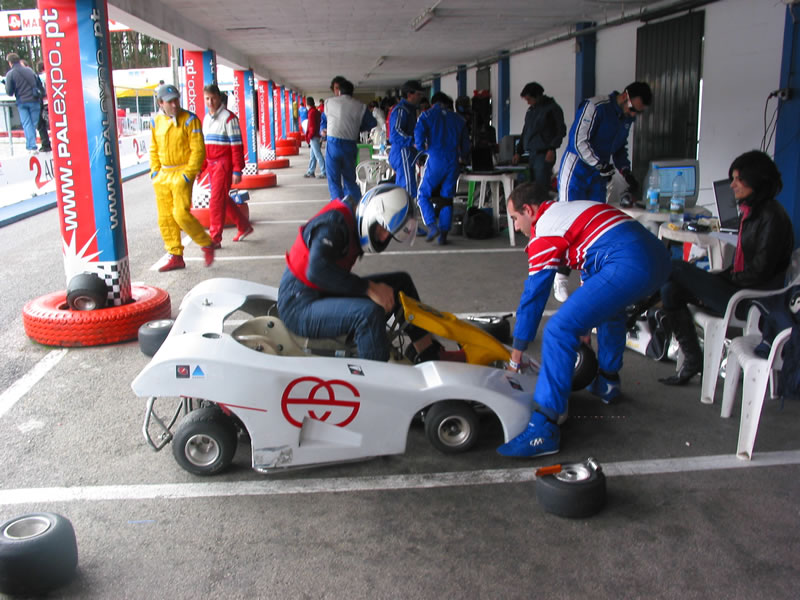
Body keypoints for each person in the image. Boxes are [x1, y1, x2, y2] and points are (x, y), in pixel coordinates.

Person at [496, 183, 671, 458]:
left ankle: (544, 428)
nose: (516, 227)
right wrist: (586, 322)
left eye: (515, 219)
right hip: (658, 257)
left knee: (558, 330)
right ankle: (608, 383)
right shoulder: (568, 212)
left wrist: (516, 355)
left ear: (528, 211)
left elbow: (533, 298)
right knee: (611, 311)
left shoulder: (544, 230)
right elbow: (595, 260)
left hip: (629, 259)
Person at [658, 150, 795, 386]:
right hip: (739, 289)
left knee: (677, 268)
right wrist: (714, 281)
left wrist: (715, 283)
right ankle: (693, 359)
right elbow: (744, 268)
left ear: (756, 180)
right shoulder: (752, 212)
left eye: (738, 179)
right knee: (670, 289)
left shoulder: (773, 216)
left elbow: (759, 273)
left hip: (753, 301)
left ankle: (634, 307)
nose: (732, 185)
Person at [278, 184, 441, 362]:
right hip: (298, 305)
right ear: (372, 215)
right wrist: (369, 288)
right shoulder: (334, 225)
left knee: (401, 282)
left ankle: (427, 355)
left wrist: (371, 288)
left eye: (389, 233)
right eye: (383, 228)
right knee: (367, 315)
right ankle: (376, 385)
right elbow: (316, 271)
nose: (385, 237)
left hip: (321, 293)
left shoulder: (351, 222)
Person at [553, 81, 652, 303]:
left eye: (638, 112)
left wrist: (626, 172)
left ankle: (588, 282)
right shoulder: (595, 106)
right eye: (633, 109)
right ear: (625, 96)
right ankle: (560, 276)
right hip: (577, 170)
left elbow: (618, 150)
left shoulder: (625, 119)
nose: (633, 114)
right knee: (569, 226)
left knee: (594, 228)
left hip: (598, 176)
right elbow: (578, 141)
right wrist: (600, 164)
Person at [149, 83, 215, 272]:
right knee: (166, 218)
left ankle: (206, 243)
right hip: (163, 175)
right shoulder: (156, 122)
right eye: (170, 102)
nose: (175, 105)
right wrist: (154, 172)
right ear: (161, 103)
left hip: (182, 173)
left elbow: (198, 149)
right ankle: (175, 255)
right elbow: (153, 148)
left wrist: (188, 174)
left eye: (176, 100)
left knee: (180, 213)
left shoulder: (189, 120)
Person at [413, 92, 470, 245]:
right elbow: (466, 144)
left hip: (435, 158)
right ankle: (443, 235)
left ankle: (432, 225)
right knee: (446, 198)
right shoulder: (459, 119)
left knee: (422, 195)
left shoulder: (426, 116)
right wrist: (463, 157)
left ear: (434, 103)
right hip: (453, 161)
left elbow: (418, 132)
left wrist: (420, 148)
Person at [201, 83, 253, 248]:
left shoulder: (230, 119)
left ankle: (215, 238)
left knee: (216, 201)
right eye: (207, 98)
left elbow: (237, 146)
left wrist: (237, 170)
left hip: (223, 164)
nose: (210, 102)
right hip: (210, 164)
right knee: (222, 198)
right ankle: (244, 226)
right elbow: (204, 145)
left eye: (213, 98)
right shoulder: (206, 119)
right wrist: (200, 167)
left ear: (219, 97)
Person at [320, 76, 376, 201]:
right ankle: (356, 207)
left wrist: (324, 130)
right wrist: (358, 128)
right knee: (350, 179)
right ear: (352, 92)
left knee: (334, 180)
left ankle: (338, 207)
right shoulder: (360, 106)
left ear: (339, 91)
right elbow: (372, 123)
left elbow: (324, 119)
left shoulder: (329, 102)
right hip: (350, 144)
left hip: (333, 144)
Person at [512, 82, 565, 187]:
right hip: (531, 154)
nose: (528, 103)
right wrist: (519, 152)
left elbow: (561, 130)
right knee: (529, 187)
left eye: (529, 99)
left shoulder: (553, 109)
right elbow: (525, 131)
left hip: (544, 154)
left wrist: (552, 148)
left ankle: (542, 203)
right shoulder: (531, 110)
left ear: (537, 96)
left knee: (541, 187)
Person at [389, 80, 424, 200]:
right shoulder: (401, 110)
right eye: (418, 94)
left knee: (405, 186)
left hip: (407, 152)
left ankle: (404, 214)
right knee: (408, 188)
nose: (420, 97)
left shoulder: (411, 110)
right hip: (402, 152)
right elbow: (395, 133)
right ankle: (408, 215)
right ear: (409, 94)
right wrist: (413, 142)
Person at [4, 53, 42, 155]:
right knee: (33, 124)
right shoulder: (29, 70)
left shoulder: (10, 74)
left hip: (22, 102)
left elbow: (9, 92)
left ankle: (31, 146)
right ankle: (32, 145)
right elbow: (38, 83)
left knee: (27, 124)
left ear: (10, 62)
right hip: (35, 100)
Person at [304, 97, 326, 179]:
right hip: (317, 135)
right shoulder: (316, 112)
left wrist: (309, 136)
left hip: (313, 136)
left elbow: (311, 126)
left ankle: (324, 171)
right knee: (313, 155)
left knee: (318, 154)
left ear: (307, 104)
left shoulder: (311, 113)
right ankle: (311, 171)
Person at [35, 61, 51, 153]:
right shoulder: (51, 75)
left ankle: (46, 144)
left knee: (42, 125)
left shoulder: (40, 78)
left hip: (44, 103)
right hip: (52, 103)